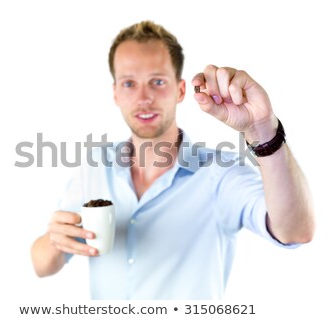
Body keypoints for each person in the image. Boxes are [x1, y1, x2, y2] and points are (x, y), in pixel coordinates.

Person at [31, 20, 315, 299]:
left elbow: (295, 231)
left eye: (157, 81)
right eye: (129, 83)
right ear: (115, 93)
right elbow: (42, 265)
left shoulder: (220, 173)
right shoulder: (94, 166)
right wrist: (54, 242)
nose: (144, 98)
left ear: (180, 90)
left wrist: (263, 130)